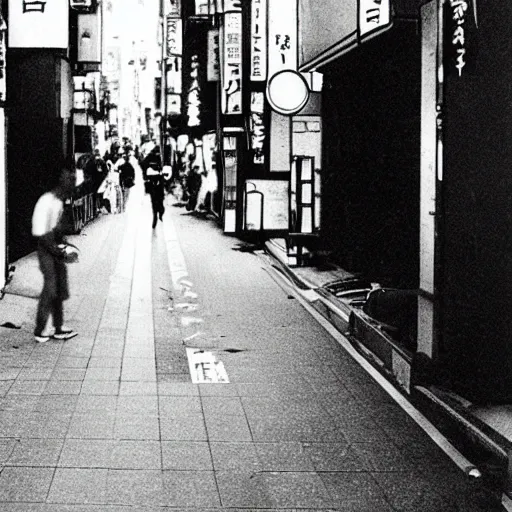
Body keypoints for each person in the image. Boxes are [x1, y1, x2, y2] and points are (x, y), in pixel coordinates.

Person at [31, 162, 79, 343]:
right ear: (61, 179)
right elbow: (42, 234)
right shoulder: (46, 201)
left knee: (59, 288)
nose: (73, 182)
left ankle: (58, 327)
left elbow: (57, 229)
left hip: (54, 248)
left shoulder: (59, 201)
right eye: (70, 178)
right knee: (50, 288)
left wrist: (64, 246)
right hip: (46, 249)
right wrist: (59, 252)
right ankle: (40, 329)